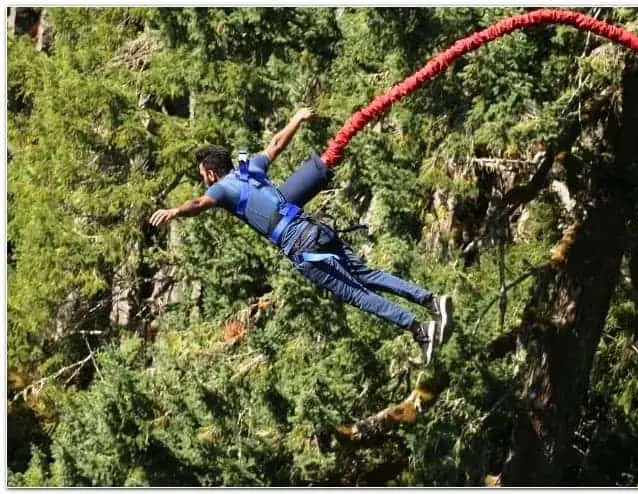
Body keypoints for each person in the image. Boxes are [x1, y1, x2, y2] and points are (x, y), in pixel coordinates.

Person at [150, 107, 454, 363]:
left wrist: (175, 211)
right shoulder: (248, 168)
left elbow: (199, 203)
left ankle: (420, 330)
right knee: (366, 274)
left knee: (355, 294)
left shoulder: (220, 188)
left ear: (211, 172)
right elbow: (276, 144)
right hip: (315, 228)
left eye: (202, 174)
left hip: (299, 244)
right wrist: (296, 119)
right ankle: (429, 301)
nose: (203, 180)